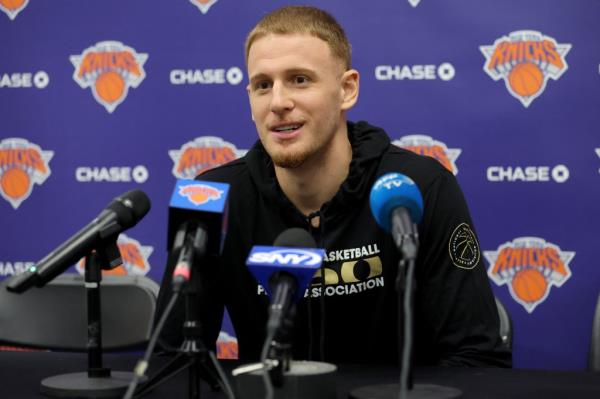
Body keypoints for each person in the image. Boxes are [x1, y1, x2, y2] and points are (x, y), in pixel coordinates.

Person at [157, 5, 511, 367]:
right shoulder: (209, 199)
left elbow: (477, 358)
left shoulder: (420, 186)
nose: (278, 102)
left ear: (347, 90)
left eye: (299, 79)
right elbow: (170, 360)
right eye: (263, 85)